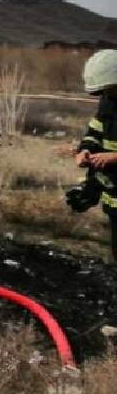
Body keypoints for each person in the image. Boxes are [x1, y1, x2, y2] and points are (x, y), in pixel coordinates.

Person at [68, 49, 117, 258]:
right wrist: (86, 150)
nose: (105, 95)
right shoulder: (108, 100)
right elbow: (96, 130)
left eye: (108, 90)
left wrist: (115, 157)